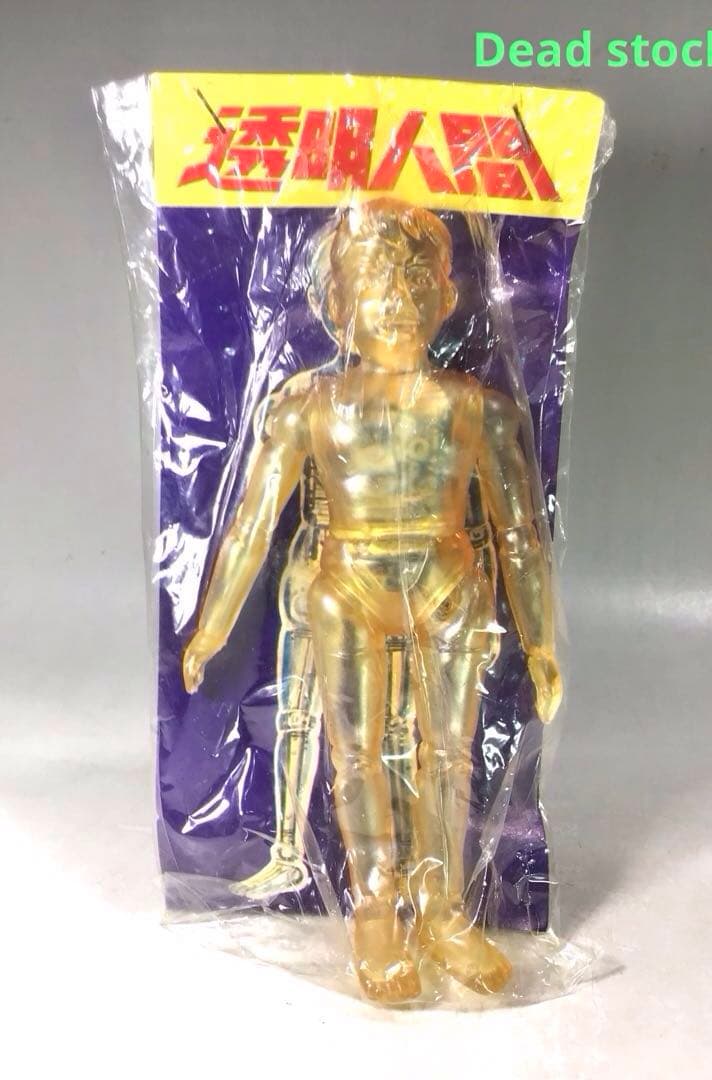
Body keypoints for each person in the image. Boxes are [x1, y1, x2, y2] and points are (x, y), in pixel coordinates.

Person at [184, 197, 561, 1002]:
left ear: (446, 296)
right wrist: (209, 631)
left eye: (416, 282)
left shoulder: (475, 409)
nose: (398, 300)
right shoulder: (306, 406)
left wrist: (540, 642)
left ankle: (443, 910)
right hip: (347, 584)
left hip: (448, 581)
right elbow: (250, 525)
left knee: (449, 756)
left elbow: (520, 532)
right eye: (376, 282)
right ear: (337, 302)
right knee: (354, 758)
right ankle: (377, 910)